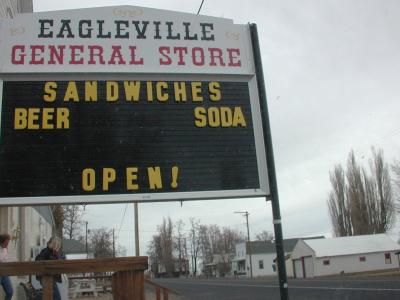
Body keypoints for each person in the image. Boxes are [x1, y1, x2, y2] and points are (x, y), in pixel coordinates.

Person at [0, 234, 13, 300]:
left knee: (10, 291)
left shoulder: (5, 250)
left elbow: (5, 260)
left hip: (4, 273)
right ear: (2, 241)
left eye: (8, 242)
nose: (7, 244)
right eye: (6, 242)